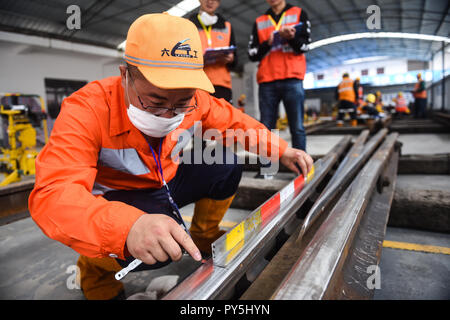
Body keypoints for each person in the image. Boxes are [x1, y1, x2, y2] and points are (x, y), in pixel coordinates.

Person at [28, 13, 313, 300]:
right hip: (121, 194)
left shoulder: (195, 100)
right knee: (158, 247)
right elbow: (53, 193)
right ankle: (95, 269)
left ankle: (204, 235)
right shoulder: (87, 109)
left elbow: (236, 124)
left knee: (224, 164)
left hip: (167, 178)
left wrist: (283, 150)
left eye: (181, 105)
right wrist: (127, 227)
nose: (169, 114)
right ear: (125, 75)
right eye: (155, 102)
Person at [248, 0, 311, 155]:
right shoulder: (259, 21)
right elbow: (252, 54)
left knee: (297, 127)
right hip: (267, 80)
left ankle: (300, 168)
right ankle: (267, 169)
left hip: (292, 78)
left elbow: (305, 46)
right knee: (267, 127)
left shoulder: (299, 13)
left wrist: (291, 37)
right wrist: (268, 43)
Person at [189, 0, 237, 103]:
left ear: (219, 2)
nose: (210, 2)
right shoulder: (189, 24)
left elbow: (235, 59)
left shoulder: (227, 26)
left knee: (223, 118)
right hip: (197, 84)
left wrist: (231, 59)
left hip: (221, 85)